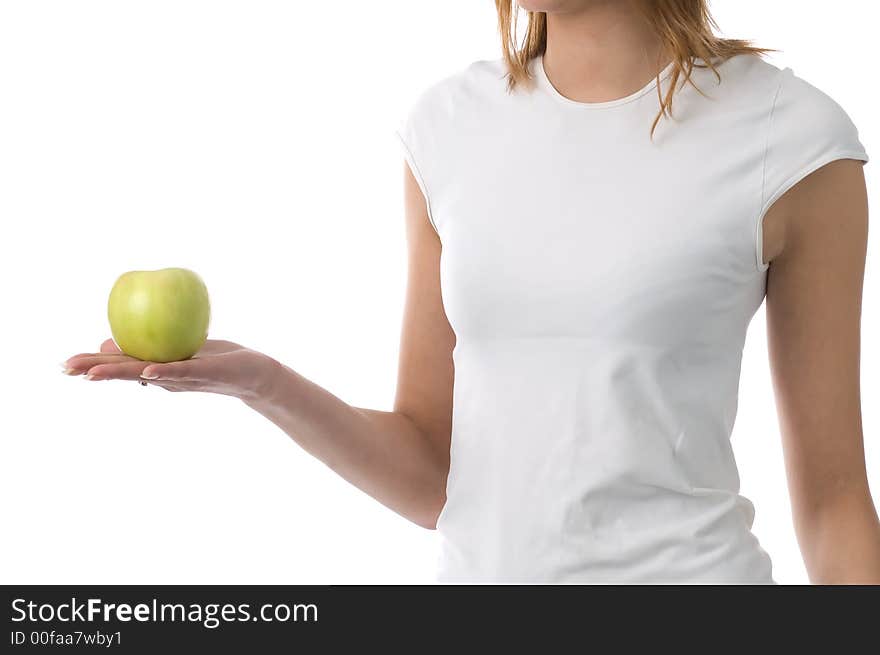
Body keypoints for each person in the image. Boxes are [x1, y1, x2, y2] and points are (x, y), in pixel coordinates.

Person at [63, 0, 879, 583]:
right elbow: (433, 476)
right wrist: (264, 384)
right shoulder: (449, 128)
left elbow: (835, 501)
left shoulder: (794, 141)